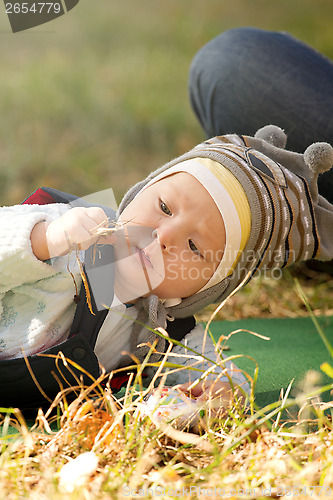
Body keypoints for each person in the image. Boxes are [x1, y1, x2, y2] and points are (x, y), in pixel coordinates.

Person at [1, 28, 333, 416]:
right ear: (138, 191)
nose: (164, 237)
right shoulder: (70, 234)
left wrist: (222, 389)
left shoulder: (159, 329)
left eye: (195, 248)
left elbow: (209, 363)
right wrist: (43, 239)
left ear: (205, 289)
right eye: (163, 206)